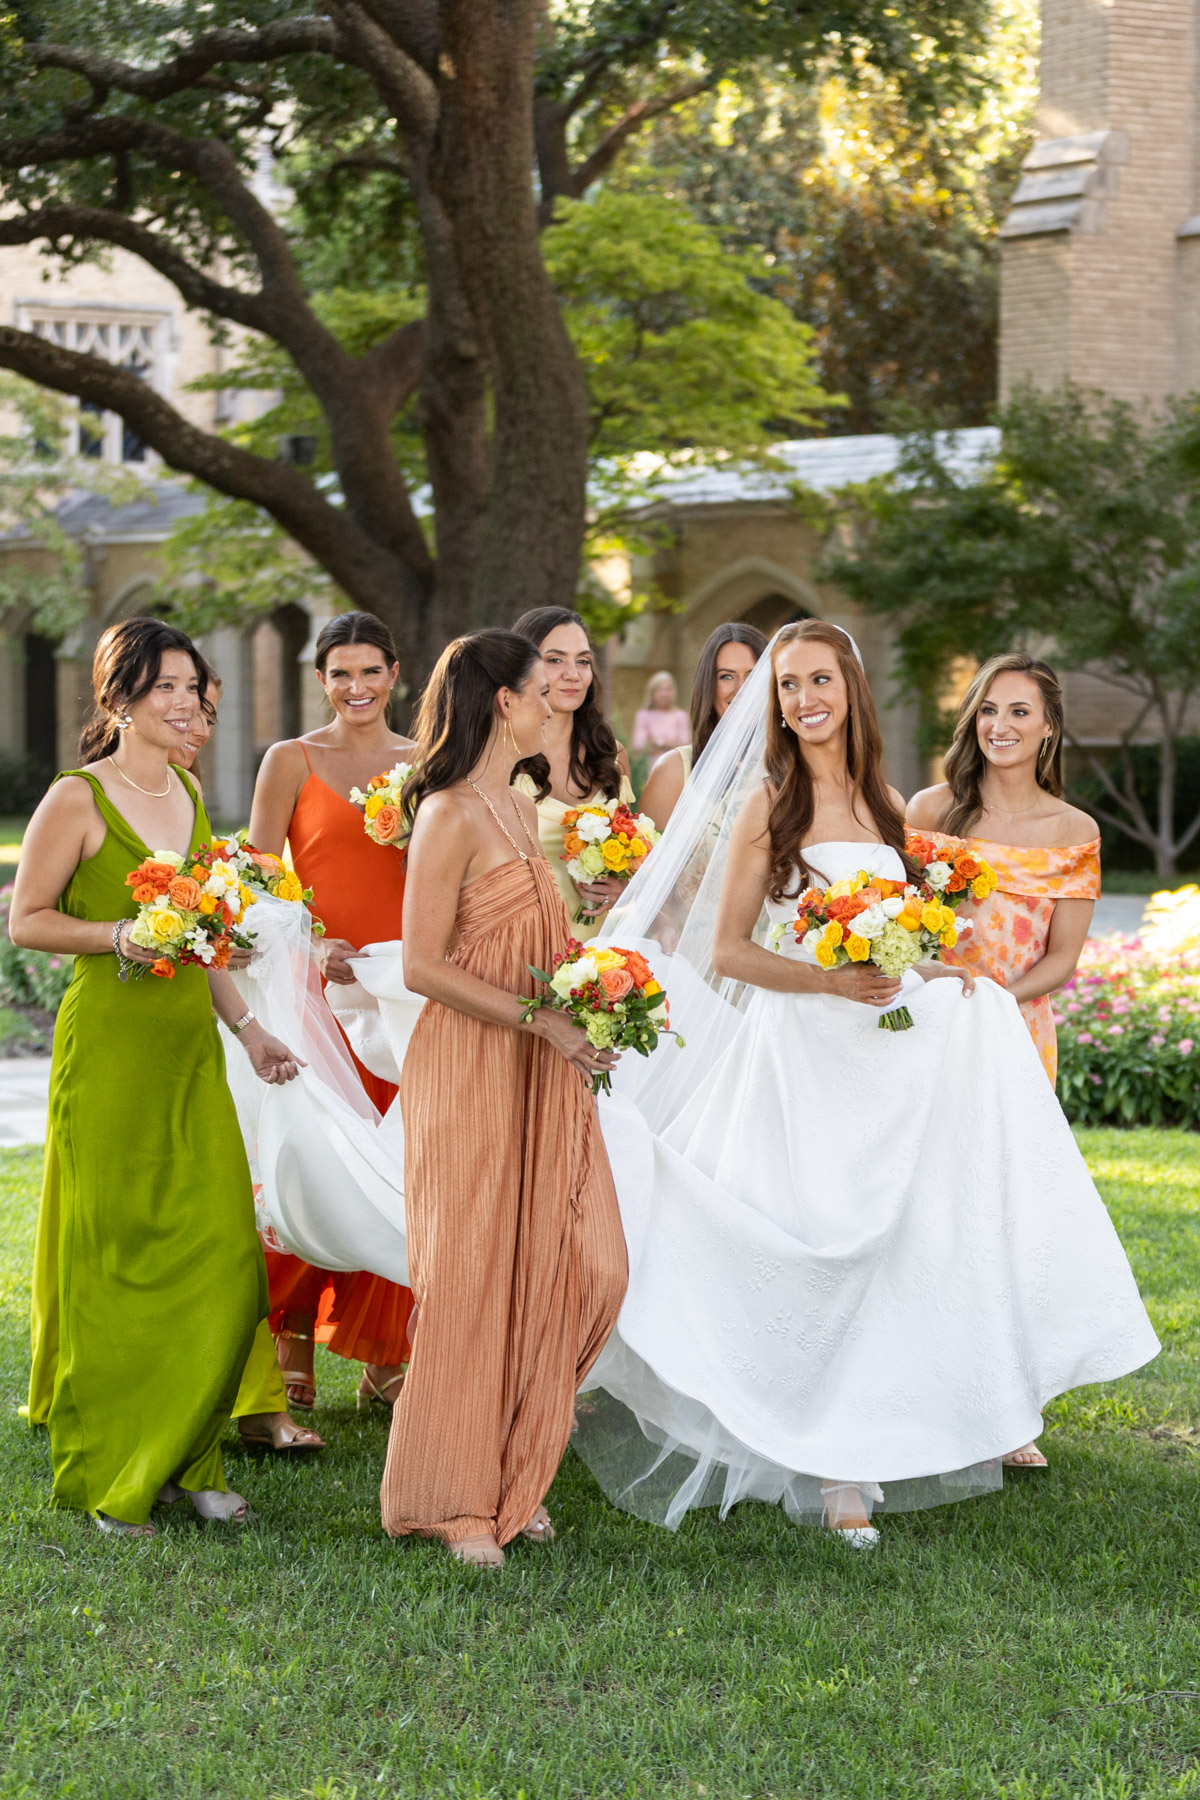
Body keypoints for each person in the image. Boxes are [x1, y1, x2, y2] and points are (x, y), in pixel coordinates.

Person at [571, 620, 1158, 1545]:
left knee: (890, 1244)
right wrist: (828, 983)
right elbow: (731, 950)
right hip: (801, 1054)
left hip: (885, 1058)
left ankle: (860, 1450)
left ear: (851, 689)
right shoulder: (770, 806)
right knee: (816, 1240)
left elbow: (897, 939)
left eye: (820, 681)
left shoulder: (890, 807)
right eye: (788, 686)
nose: (805, 700)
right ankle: (817, 1450)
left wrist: (938, 971)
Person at [12, 617, 302, 1536]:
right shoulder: (77, 798)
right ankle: (121, 1472)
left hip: (188, 1053)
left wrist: (250, 1030)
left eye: (192, 688)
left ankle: (191, 1451)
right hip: (109, 1049)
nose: (185, 704)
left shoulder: (187, 789)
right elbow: (27, 920)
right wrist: (119, 935)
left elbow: (202, 934)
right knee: (119, 1262)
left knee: (221, 1257)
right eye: (165, 687)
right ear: (120, 697)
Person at [380, 630, 628, 1568]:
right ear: (501, 702)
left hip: (544, 1060)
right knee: (474, 1275)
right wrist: (543, 1021)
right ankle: (456, 1502)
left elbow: (540, 944)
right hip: (473, 1063)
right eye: (538, 686)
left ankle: (515, 1463)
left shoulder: (522, 806)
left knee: (589, 1265)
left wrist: (596, 1007)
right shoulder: (448, 813)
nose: (555, 697)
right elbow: (422, 966)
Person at [248, 611, 417, 1415]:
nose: (356, 687)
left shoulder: (425, 763)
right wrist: (313, 943)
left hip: (401, 989)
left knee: (397, 1162)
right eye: (340, 673)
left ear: (395, 675)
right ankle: (291, 1344)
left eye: (370, 671)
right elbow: (256, 877)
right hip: (318, 989)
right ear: (320, 679)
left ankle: (388, 1351)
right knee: (317, 1158)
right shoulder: (290, 759)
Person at [170, 702, 324, 1455]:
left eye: (205, 709)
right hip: (142, 1031)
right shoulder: (94, 796)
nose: (196, 724)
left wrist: (249, 1022)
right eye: (178, 701)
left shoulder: (190, 800)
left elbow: (219, 928)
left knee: (232, 1212)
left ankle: (256, 1398)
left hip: (216, 1025)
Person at [906, 652, 1100, 1091]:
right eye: (988, 710)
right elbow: (899, 922)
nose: (999, 726)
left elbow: (1063, 957)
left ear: (1049, 725)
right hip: (929, 1016)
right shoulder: (929, 810)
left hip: (1016, 1024)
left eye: (1019, 712)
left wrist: (994, 1006)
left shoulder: (1075, 832)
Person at [510, 607, 633, 940]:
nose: (573, 674)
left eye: (583, 661)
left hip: (602, 953)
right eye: (555, 660)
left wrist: (622, 887)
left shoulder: (612, 755)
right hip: (527, 950)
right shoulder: (501, 759)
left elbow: (633, 862)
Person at [640, 624, 767, 831]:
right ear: (708, 685)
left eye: (753, 676)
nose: (743, 689)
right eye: (727, 676)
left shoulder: (797, 765)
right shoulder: (674, 771)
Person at [631, 671, 691, 771]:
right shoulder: (643, 715)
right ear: (651, 693)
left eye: (668, 689)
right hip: (650, 770)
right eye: (659, 690)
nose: (664, 694)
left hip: (676, 768)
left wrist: (659, 742)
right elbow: (638, 746)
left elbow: (686, 746)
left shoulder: (681, 715)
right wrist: (672, 745)